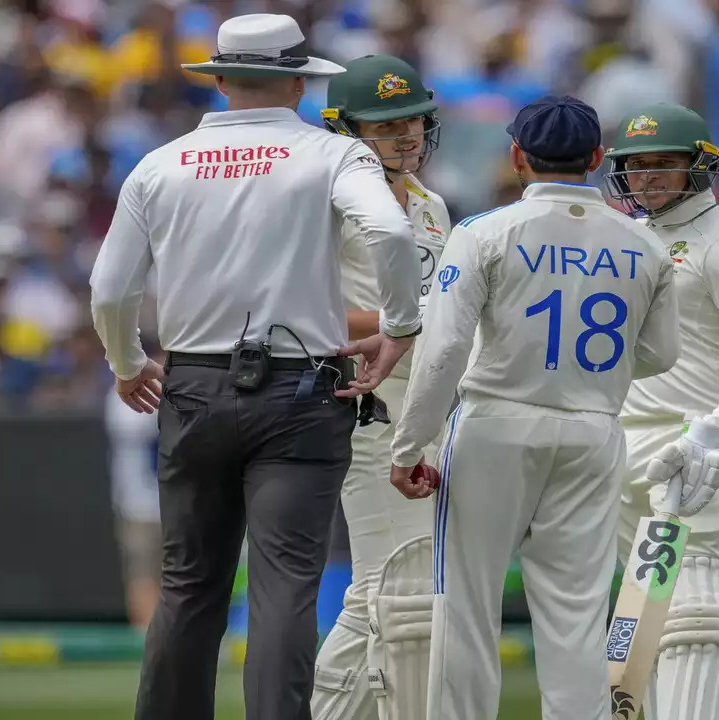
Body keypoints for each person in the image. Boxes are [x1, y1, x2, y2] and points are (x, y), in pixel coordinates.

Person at [88, 14, 424, 720]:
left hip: (194, 385)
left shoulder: (162, 162)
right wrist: (399, 325)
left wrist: (126, 361)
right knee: (284, 587)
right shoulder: (333, 156)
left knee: (187, 586)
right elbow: (391, 230)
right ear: (299, 81)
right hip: (302, 389)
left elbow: (110, 287)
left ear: (219, 79)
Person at [389, 96, 682, 720]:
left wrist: (408, 446)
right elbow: (659, 356)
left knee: (465, 604)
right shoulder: (646, 245)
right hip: (594, 430)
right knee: (576, 613)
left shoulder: (484, 232)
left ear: (517, 156)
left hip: (496, 422)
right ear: (598, 159)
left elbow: (442, 352)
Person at [603, 102, 719, 720]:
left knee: (695, 591)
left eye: (665, 166)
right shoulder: (632, 238)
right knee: (642, 609)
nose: (650, 179)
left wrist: (715, 430)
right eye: (637, 167)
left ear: (699, 167)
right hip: (626, 441)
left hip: (698, 443)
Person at [312, 54, 450, 720]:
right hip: (367, 399)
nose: (406, 138)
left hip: (431, 404)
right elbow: (305, 308)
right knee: (385, 583)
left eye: (413, 122)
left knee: (413, 588)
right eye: (384, 126)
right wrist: (417, 319)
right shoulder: (326, 201)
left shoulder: (429, 204)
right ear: (346, 130)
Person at [104, 345, 164, 632]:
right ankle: (146, 637)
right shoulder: (122, 394)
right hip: (141, 503)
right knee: (143, 573)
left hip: (181, 501)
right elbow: (134, 427)